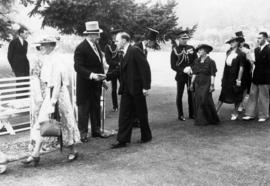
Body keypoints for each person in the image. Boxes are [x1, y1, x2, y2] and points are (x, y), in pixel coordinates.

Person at [21, 38, 80, 166]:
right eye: (40, 45)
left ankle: (73, 150)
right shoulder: (48, 58)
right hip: (50, 92)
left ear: (50, 46)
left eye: (43, 45)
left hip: (59, 95)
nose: (41, 48)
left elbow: (58, 83)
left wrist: (53, 102)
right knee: (42, 122)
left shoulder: (57, 60)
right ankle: (35, 153)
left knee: (64, 122)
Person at [106, 32, 152, 148]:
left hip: (137, 89)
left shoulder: (134, 50)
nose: (115, 43)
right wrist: (106, 76)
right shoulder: (124, 53)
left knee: (141, 113)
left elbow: (145, 68)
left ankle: (146, 136)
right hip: (127, 89)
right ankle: (122, 140)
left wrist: (146, 87)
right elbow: (120, 70)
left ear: (124, 40)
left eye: (117, 40)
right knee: (124, 115)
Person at [74, 21, 107, 143]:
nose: (99, 37)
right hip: (85, 85)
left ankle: (96, 130)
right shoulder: (81, 48)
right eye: (97, 34)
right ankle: (82, 133)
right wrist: (92, 75)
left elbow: (99, 64)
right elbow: (78, 67)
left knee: (95, 106)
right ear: (91, 34)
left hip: (96, 84)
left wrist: (102, 79)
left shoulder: (97, 46)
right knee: (84, 108)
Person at [216, 36, 245, 120]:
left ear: (238, 43)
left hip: (235, 76)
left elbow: (241, 68)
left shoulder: (241, 54)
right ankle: (216, 111)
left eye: (233, 42)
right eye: (230, 42)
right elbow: (226, 66)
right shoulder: (228, 52)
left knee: (236, 94)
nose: (231, 43)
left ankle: (235, 112)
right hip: (227, 76)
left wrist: (239, 80)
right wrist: (222, 77)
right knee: (223, 93)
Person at [243, 32, 270, 122]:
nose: (258, 40)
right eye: (257, 38)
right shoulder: (256, 49)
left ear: (265, 38)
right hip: (256, 76)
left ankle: (264, 115)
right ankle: (249, 114)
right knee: (252, 95)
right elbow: (257, 63)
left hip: (266, 78)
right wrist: (250, 58)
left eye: (260, 38)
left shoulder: (269, 49)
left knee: (263, 97)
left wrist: (250, 57)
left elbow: (263, 63)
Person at [190, 44, 219, 126]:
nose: (199, 51)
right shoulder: (196, 61)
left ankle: (207, 119)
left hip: (206, 82)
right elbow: (195, 73)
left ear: (206, 51)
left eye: (201, 50)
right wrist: (192, 83)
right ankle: (202, 119)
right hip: (197, 82)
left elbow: (213, 74)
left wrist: (212, 85)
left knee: (204, 100)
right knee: (198, 100)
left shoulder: (211, 62)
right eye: (198, 50)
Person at [170, 31, 197, 121]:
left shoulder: (191, 48)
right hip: (181, 76)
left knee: (191, 95)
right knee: (180, 95)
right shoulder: (175, 50)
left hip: (190, 75)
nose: (185, 40)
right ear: (178, 39)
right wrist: (182, 70)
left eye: (186, 39)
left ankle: (192, 113)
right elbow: (173, 65)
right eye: (183, 39)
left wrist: (191, 68)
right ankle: (180, 114)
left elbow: (195, 60)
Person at [7, 26, 30, 98]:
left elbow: (24, 54)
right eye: (26, 33)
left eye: (27, 34)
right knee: (20, 83)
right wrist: (13, 67)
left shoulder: (26, 43)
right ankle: (19, 99)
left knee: (26, 82)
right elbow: (9, 56)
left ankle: (25, 99)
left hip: (26, 65)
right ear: (20, 33)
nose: (27, 35)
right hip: (17, 66)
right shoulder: (13, 42)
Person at [104, 28, 122, 112]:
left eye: (117, 35)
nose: (116, 37)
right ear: (112, 36)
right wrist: (117, 64)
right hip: (113, 70)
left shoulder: (121, 45)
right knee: (114, 89)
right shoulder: (108, 47)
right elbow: (108, 60)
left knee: (124, 87)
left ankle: (124, 104)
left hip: (122, 69)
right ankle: (115, 106)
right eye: (114, 35)